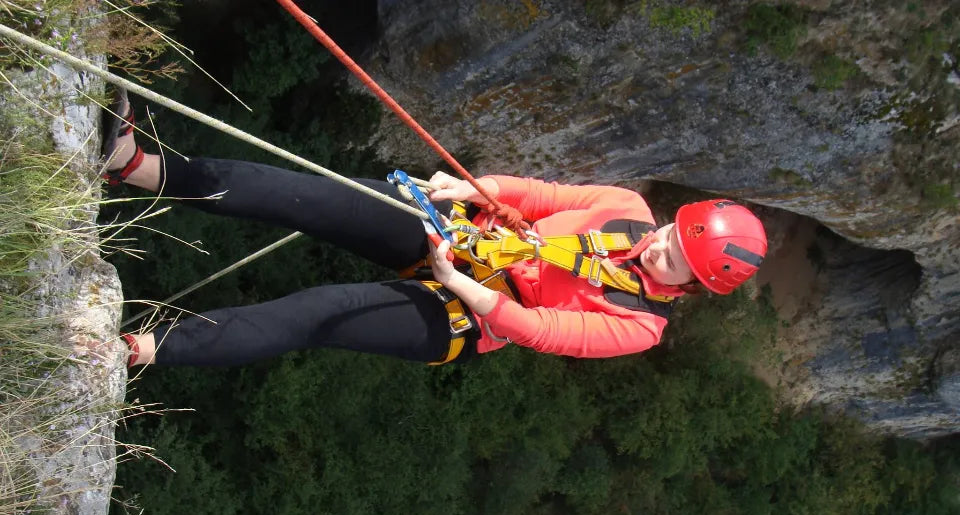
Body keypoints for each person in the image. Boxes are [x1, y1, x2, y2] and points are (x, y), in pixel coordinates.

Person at [101, 90, 767, 367]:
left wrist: (462, 285)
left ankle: (142, 350)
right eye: (672, 233)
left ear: (692, 287)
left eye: (675, 261)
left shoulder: (638, 327)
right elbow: (541, 196)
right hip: (464, 232)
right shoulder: (625, 207)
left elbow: (539, 329)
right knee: (308, 196)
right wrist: (474, 188)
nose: (659, 246)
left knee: (320, 313)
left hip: (468, 314)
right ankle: (133, 166)